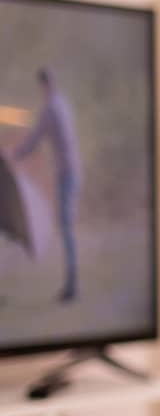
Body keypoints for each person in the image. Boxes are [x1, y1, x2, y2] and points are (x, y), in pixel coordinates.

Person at [9, 67, 81, 301]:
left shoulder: (51, 109)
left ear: (44, 85)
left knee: (66, 226)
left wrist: (13, 155)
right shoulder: (62, 104)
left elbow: (35, 140)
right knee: (65, 225)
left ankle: (72, 286)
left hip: (67, 174)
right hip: (71, 172)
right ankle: (71, 283)